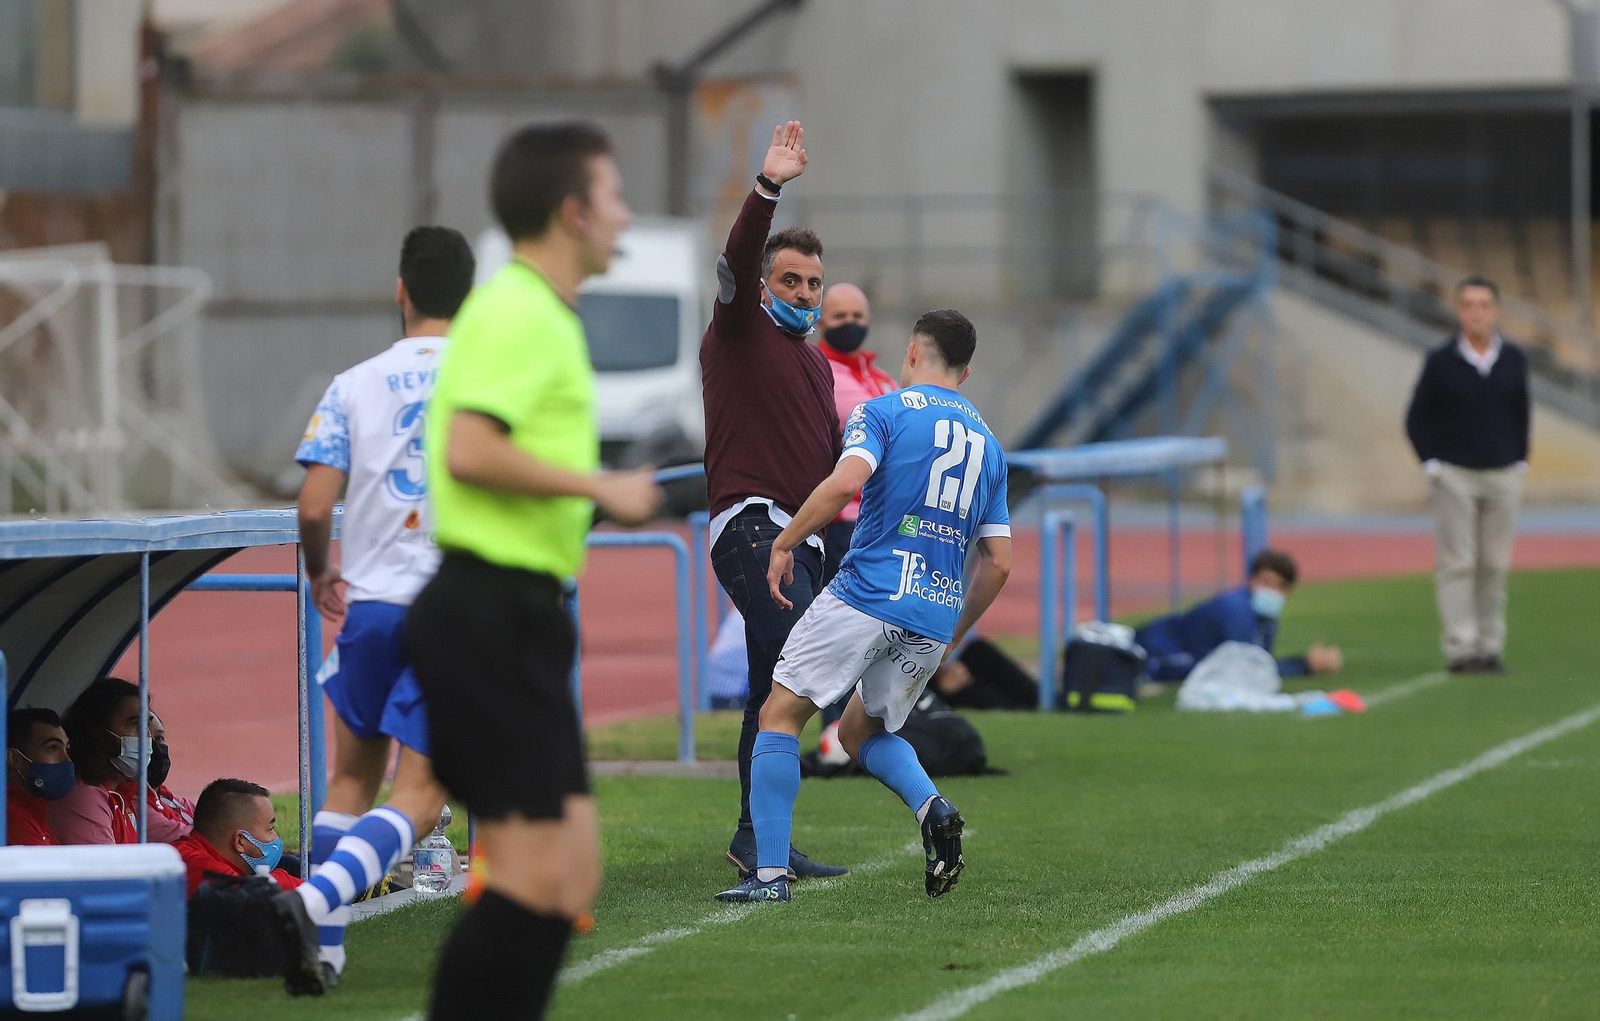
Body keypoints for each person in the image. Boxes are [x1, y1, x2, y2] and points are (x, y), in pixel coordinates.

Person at [289, 121, 660, 1020]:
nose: (627, 215)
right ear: (572, 212)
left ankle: (321, 906)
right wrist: (597, 484)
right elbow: (465, 448)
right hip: (486, 606)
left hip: (516, 604)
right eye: (614, 196)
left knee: (567, 870)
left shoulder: (539, 313)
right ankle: (319, 908)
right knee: (528, 873)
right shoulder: (518, 313)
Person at [716, 308, 1013, 904]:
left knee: (779, 714)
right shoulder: (991, 446)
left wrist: (784, 541)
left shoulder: (882, 411)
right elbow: (1000, 560)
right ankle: (933, 807)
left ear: (910, 352)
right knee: (858, 734)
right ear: (966, 370)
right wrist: (954, 632)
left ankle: (769, 876)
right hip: (932, 611)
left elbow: (847, 483)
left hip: (867, 593)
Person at [283, 225, 473, 988]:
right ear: (470, 296)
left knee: (348, 784)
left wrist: (322, 570)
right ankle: (316, 895)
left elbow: (311, 504)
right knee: (422, 797)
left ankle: (324, 951)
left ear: (401, 292)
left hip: (370, 608)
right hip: (450, 608)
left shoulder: (352, 382)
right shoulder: (491, 379)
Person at [700, 120, 849, 882]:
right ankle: (762, 841)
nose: (804, 293)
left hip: (806, 538)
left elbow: (829, 470)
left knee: (775, 686)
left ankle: (758, 838)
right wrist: (768, 187)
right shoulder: (737, 331)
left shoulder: (818, 367)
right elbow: (730, 260)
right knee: (801, 662)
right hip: (752, 527)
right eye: (790, 280)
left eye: (813, 284)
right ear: (763, 283)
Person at [1405, 275, 1530, 675]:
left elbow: (1520, 412)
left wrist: (1520, 459)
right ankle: (1461, 648)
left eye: (1483, 305)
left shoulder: (1513, 359)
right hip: (1455, 474)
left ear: (1495, 311)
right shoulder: (1440, 361)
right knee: (1458, 562)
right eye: (1467, 305)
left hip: (1502, 474)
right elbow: (1416, 417)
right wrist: (1432, 464)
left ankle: (1490, 646)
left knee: (1495, 564)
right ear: (1458, 311)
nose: (1475, 313)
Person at [1134, 550, 1343, 683]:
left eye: (1280, 586)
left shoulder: (1267, 617)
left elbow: (1261, 663)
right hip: (1156, 648)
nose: (1271, 591)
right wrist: (1307, 665)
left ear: (1288, 592)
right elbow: (1249, 668)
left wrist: (1304, 663)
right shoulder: (1236, 610)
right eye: (1265, 582)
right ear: (1251, 580)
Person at [817, 282, 897, 581]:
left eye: (857, 315)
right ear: (821, 321)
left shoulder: (883, 379)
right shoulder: (816, 372)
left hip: (885, 517)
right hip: (841, 518)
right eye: (840, 316)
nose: (850, 323)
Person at [50, 677, 142, 845]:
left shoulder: (120, 790)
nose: (147, 736)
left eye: (146, 726)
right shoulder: (83, 795)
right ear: (98, 731)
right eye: (134, 724)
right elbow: (107, 870)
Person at [175, 778, 302, 897]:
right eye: (270, 829)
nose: (276, 837)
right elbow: (251, 897)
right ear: (240, 841)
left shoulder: (194, 853)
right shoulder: (199, 866)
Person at [6, 708, 73, 846]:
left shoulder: (33, 811)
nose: (66, 759)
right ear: (15, 758)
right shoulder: (10, 817)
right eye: (52, 748)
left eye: (66, 749)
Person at [143, 710, 195, 842]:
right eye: (145, 738)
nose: (155, 747)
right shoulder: (134, 807)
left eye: (160, 738)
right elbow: (214, 837)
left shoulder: (166, 796)